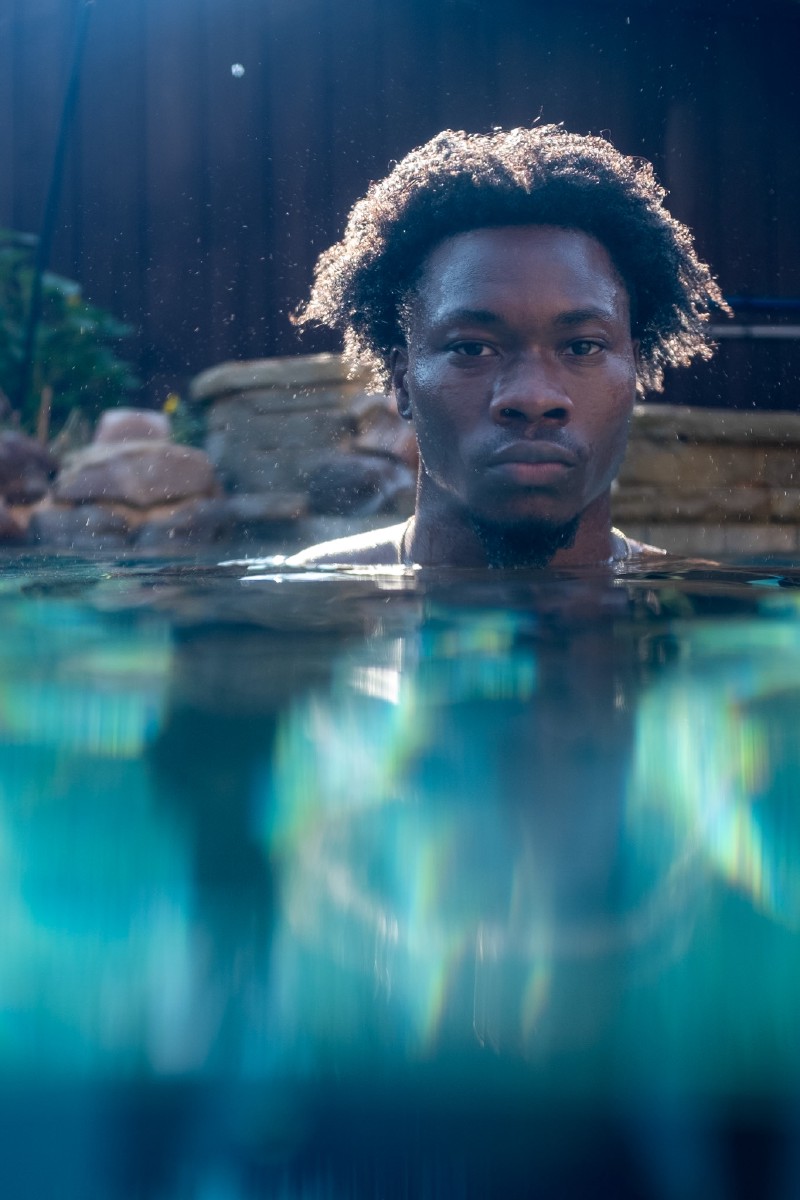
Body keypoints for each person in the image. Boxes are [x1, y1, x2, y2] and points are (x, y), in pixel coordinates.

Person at [288, 126, 726, 568]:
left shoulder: (723, 625)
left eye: (581, 346)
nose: (533, 398)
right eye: (473, 349)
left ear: (632, 369)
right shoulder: (301, 615)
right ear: (403, 383)